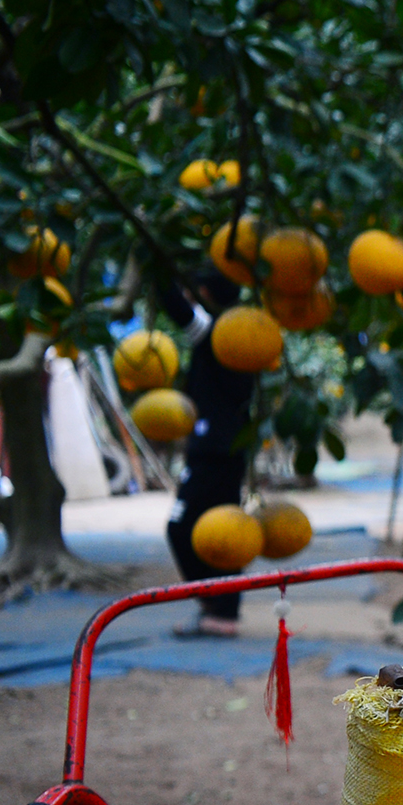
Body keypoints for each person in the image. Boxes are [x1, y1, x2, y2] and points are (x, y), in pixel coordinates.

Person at [158, 269, 257, 636]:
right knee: (223, 530)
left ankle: (215, 604)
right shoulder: (248, 334)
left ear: (202, 292)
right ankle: (222, 609)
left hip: (212, 450)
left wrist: (158, 268)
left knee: (181, 527)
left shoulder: (216, 333)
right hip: (231, 447)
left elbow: (176, 308)